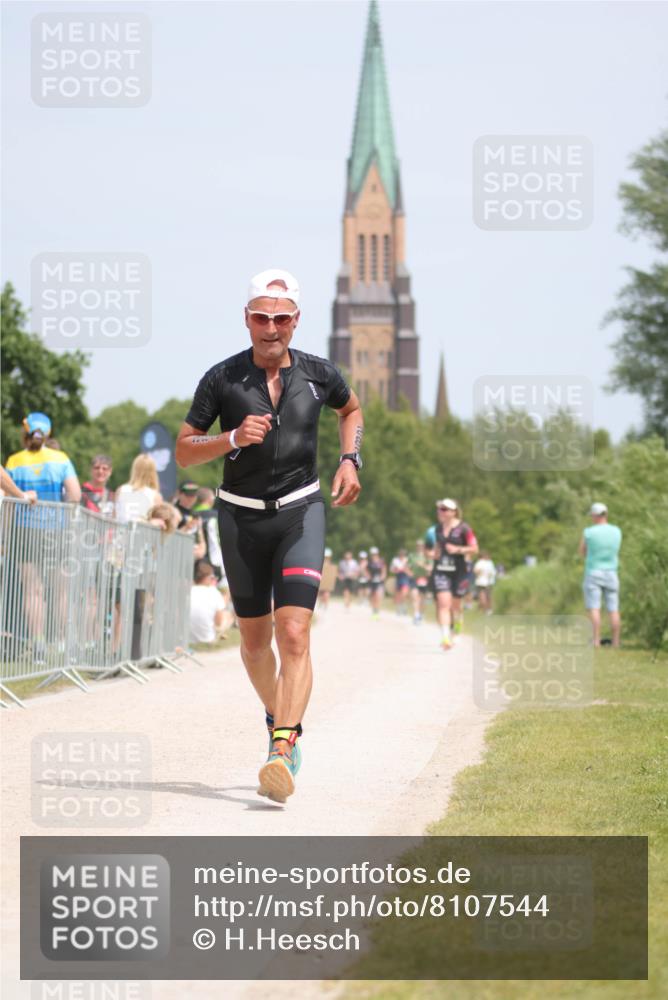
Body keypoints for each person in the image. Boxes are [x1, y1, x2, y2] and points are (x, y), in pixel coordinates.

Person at [175, 267, 363, 803]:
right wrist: (231, 437)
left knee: (295, 634)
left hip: (301, 511)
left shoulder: (320, 374)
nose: (271, 327)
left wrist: (350, 459)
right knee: (255, 645)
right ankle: (278, 716)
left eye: (281, 318)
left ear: (296, 320)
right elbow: (186, 447)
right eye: (261, 317)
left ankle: (283, 746)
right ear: (247, 319)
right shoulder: (222, 378)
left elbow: (350, 410)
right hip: (239, 517)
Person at [5, 413, 81, 661]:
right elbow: (75, 495)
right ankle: (61, 642)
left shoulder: (14, 461)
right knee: (61, 590)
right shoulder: (60, 459)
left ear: (25, 434)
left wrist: (5, 537)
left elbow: (7, 503)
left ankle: (37, 644)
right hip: (57, 530)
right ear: (48, 434)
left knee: (32, 591)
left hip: (25, 531)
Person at [426, 498, 478, 650]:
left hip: (460, 571)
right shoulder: (437, 529)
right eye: (439, 509)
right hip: (441, 571)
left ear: (453, 512)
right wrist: (433, 554)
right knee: (443, 604)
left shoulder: (464, 528)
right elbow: (436, 548)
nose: (440, 512)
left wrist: (458, 550)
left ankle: (458, 627)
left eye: (444, 509)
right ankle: (445, 637)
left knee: (456, 605)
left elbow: (474, 548)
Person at [579, 502, 622, 647]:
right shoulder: (616, 531)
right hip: (611, 572)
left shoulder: (589, 532)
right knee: (613, 608)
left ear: (594, 516)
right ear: (606, 514)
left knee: (594, 608)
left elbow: (582, 551)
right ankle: (616, 642)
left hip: (593, 572)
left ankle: (596, 641)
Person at [190, 561, 232, 643]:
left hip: (187, 639)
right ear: (207, 577)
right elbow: (218, 622)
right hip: (207, 638)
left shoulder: (188, 591)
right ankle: (220, 636)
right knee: (228, 616)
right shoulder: (214, 592)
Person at [115, 455, 162, 523]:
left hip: (120, 531)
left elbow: (115, 516)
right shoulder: (155, 496)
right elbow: (157, 522)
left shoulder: (121, 490)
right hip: (143, 532)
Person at [408, 538, 432, 624]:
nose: (419, 547)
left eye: (421, 546)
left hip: (424, 579)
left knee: (422, 599)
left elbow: (430, 568)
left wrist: (422, 565)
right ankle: (416, 614)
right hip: (415, 578)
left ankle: (421, 613)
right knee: (415, 597)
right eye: (418, 546)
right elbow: (407, 567)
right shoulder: (412, 556)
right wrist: (409, 573)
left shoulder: (427, 556)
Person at [389, 548, 412, 616]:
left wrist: (405, 570)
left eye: (403, 554)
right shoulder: (395, 560)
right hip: (398, 577)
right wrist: (396, 570)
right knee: (398, 594)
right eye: (401, 554)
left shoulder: (407, 560)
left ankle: (403, 606)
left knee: (404, 593)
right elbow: (391, 569)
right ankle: (399, 608)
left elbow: (409, 569)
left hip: (405, 578)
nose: (402, 555)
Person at [368, 546, 387, 618]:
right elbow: (365, 570)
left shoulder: (381, 561)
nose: (374, 555)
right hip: (372, 581)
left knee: (378, 595)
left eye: (375, 554)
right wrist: (368, 576)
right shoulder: (369, 562)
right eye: (372, 554)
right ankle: (373, 609)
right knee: (373, 596)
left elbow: (384, 569)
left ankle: (377, 610)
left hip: (379, 581)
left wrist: (383, 576)